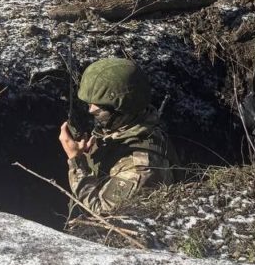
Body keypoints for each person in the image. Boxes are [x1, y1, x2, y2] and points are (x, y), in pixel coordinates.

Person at [58, 57, 176, 215]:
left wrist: (77, 161)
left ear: (122, 110)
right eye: (90, 104)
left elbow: (102, 216)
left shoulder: (140, 168)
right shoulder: (132, 124)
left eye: (100, 108)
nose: (91, 110)